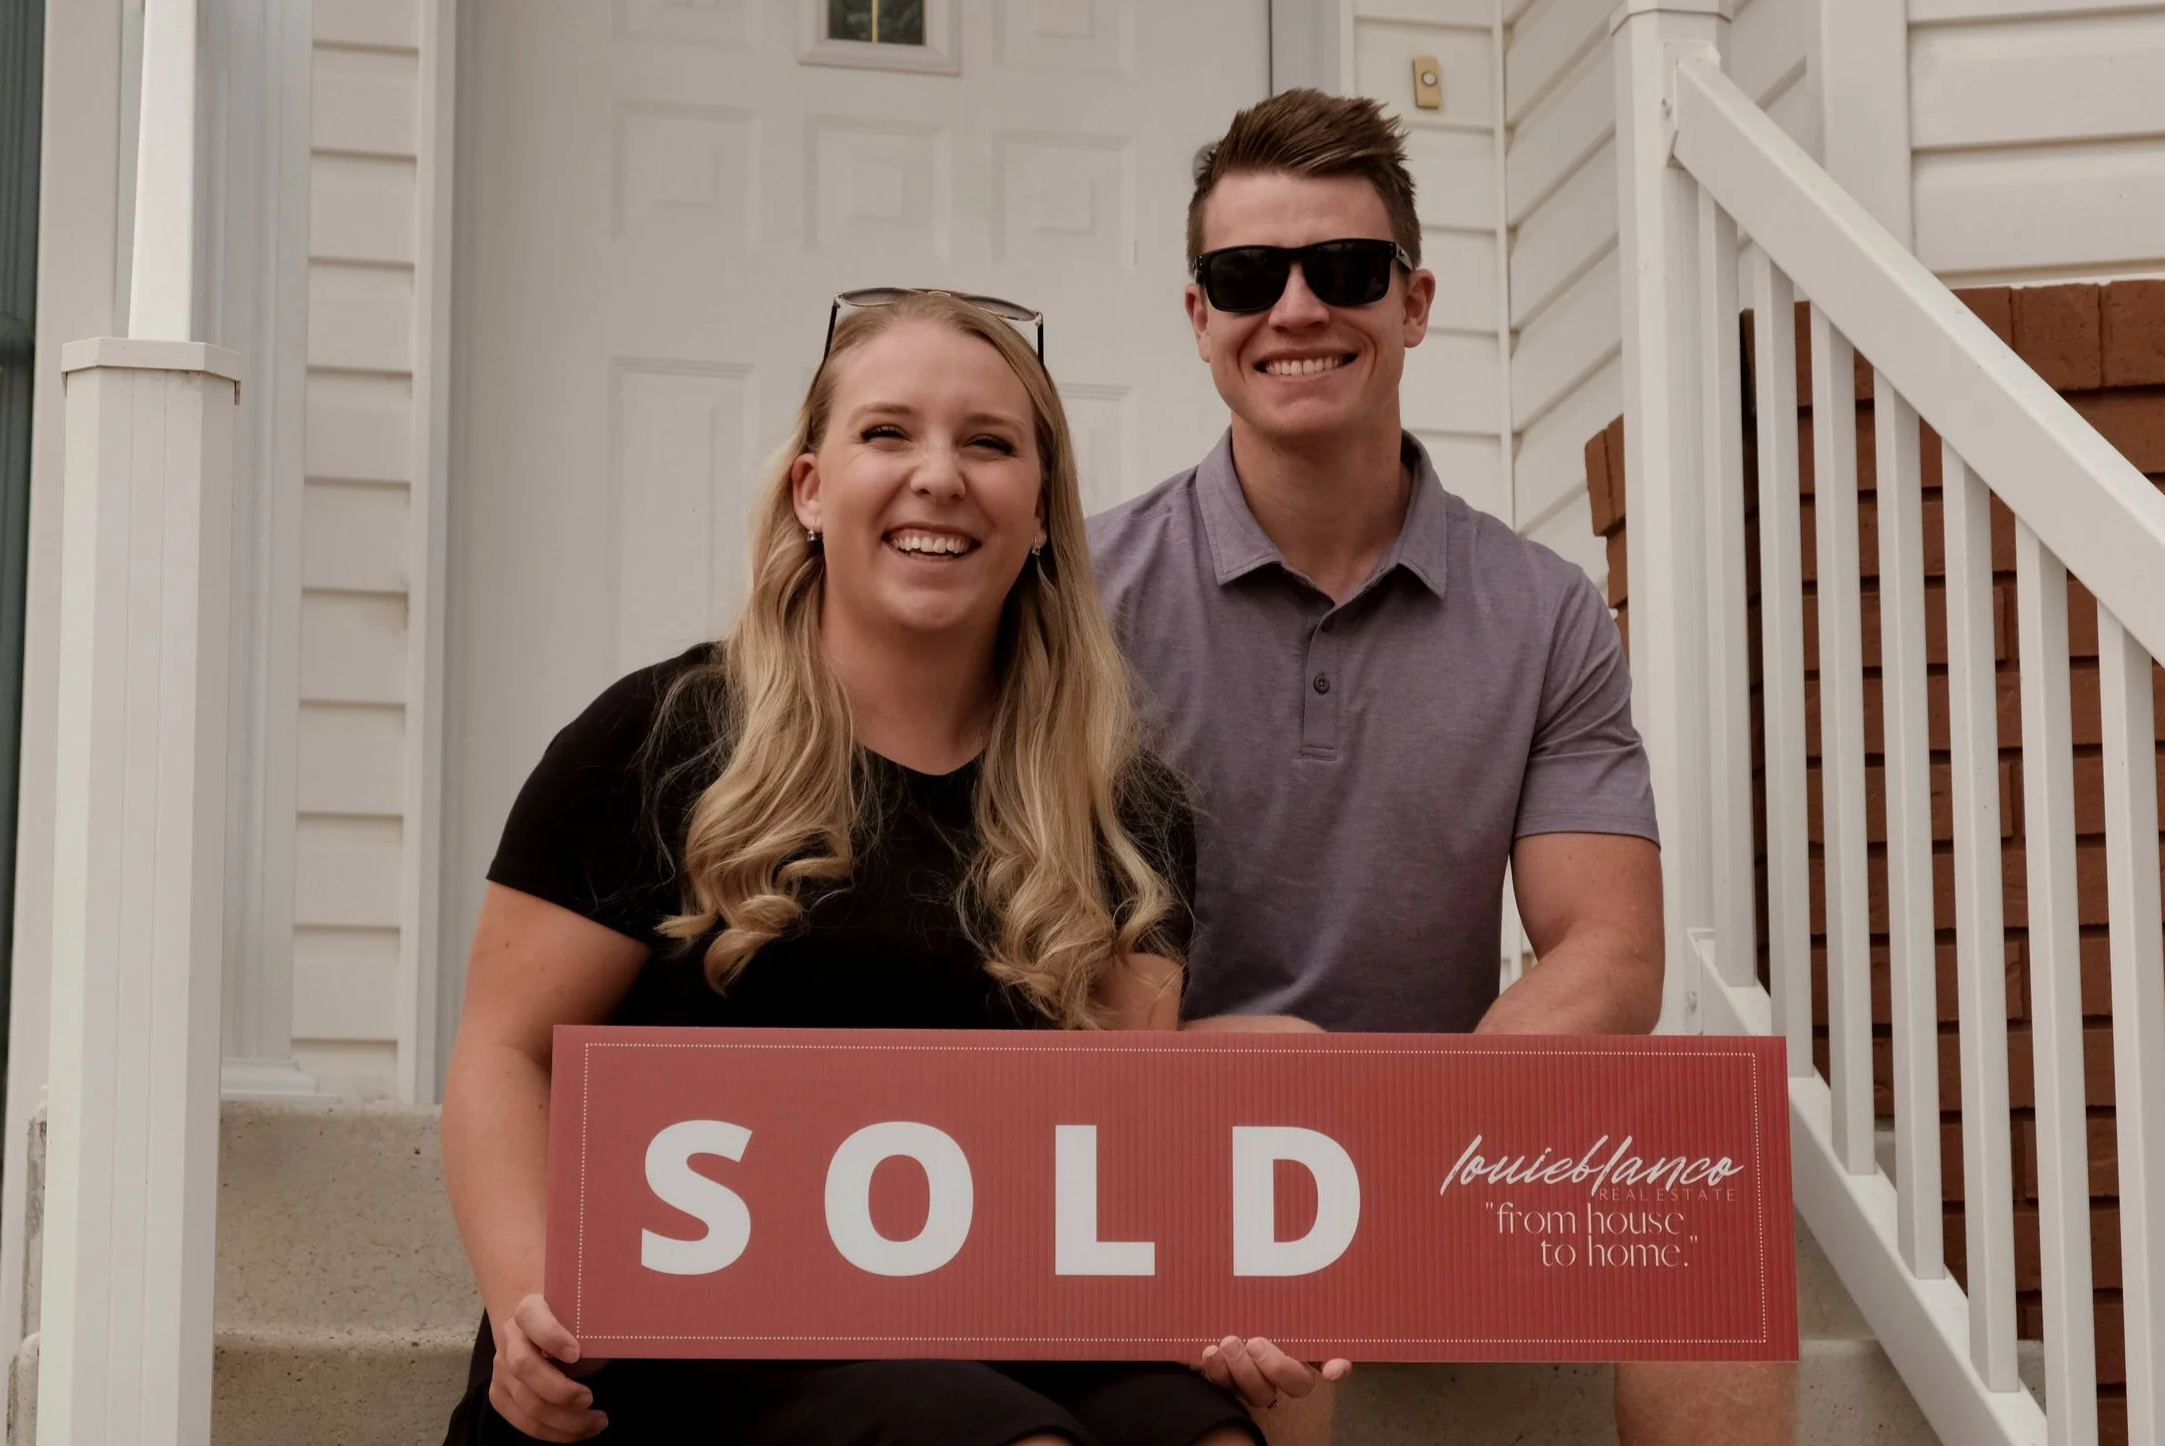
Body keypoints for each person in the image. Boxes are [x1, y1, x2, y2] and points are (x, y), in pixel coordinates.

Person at [438, 290, 1337, 1446]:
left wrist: (1217, 1306)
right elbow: (505, 1052)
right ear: (810, 490)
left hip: (998, 1317)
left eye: (988, 444)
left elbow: (1113, 1149)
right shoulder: (658, 740)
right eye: (886, 433)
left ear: (1043, 515)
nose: (938, 475)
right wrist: (528, 1304)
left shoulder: (1121, 809)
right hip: (695, 1331)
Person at [1090, 90, 1799, 1445]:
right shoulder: (1080, 592)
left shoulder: (1536, 607)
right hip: (1164, 1150)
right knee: (1272, 1071)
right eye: (1248, 276)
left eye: (1344, 271)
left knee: (1716, 1202)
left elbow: (1608, 958)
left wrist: (1403, 1141)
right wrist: (1274, 1122)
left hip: (1445, 1142)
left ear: (1413, 303)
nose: (1295, 308)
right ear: (1201, 319)